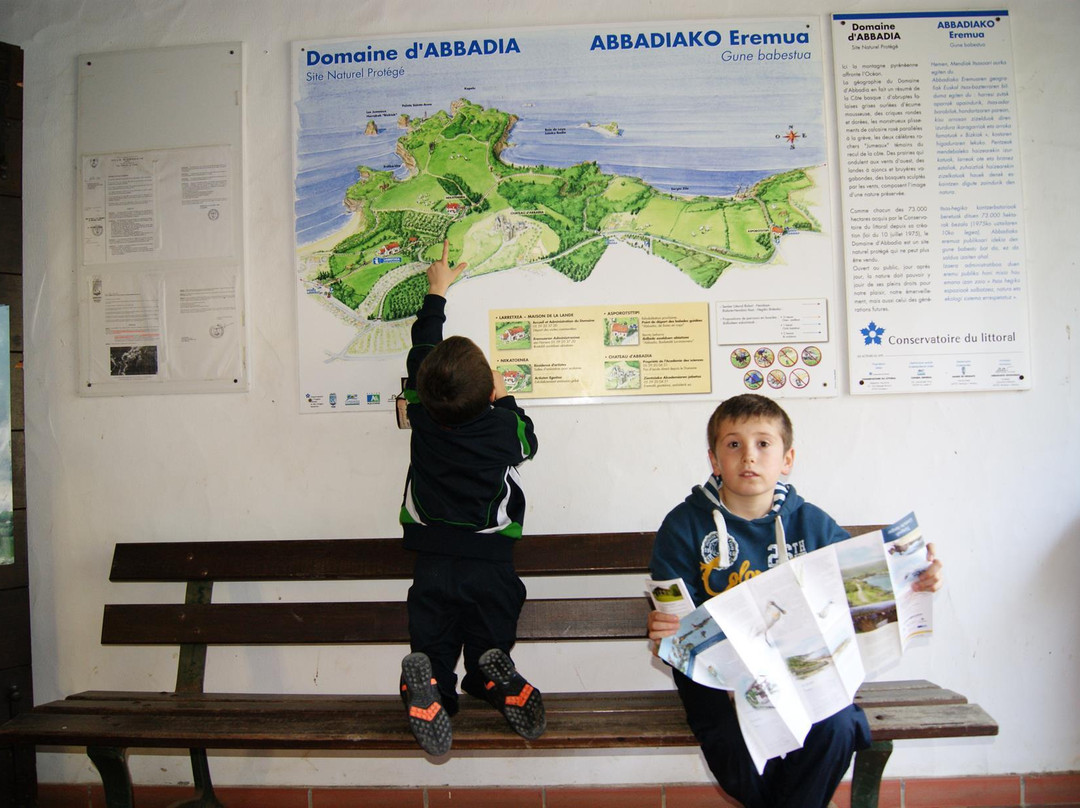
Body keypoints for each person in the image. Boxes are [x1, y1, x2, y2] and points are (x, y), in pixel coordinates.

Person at [647, 394, 944, 808]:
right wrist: (665, 630)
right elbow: (675, 619)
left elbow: (862, 590)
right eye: (733, 444)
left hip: (804, 669)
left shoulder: (812, 523)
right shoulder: (684, 525)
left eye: (763, 444)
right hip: (718, 679)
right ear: (715, 460)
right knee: (737, 750)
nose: (748, 456)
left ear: (787, 459)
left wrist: (916, 578)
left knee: (838, 728)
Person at [397, 240, 545, 756]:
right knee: (495, 615)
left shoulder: (421, 409)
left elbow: (422, 346)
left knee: (433, 629)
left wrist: (436, 291)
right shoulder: (504, 429)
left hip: (431, 555)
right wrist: (507, 398)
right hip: (489, 556)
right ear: (487, 394)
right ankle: (487, 668)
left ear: (424, 387)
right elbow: (529, 438)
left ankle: (433, 683)